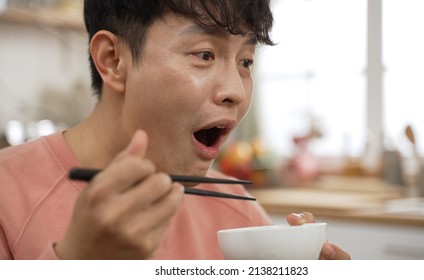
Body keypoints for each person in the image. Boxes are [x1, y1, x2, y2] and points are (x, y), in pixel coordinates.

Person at [0, 0, 350, 260]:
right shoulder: (8, 195)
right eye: (204, 55)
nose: (236, 92)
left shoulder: (238, 213)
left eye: (246, 61)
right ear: (112, 60)